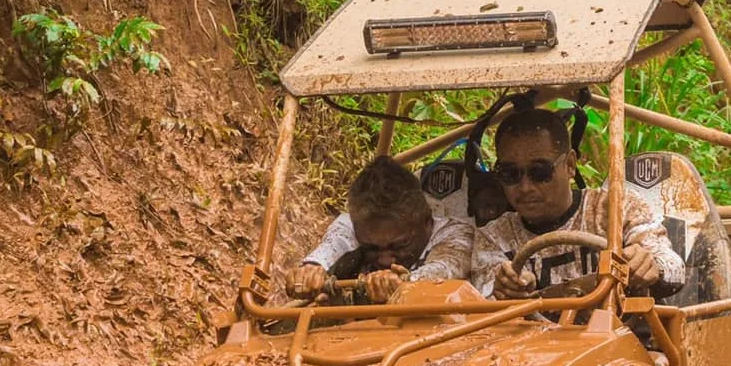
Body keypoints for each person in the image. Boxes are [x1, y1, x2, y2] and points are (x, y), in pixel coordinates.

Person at [471, 108, 684, 299]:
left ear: (570, 165)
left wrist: (651, 265)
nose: (525, 187)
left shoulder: (616, 208)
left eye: (540, 172)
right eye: (510, 173)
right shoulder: (494, 237)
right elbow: (485, 290)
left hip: (626, 335)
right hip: (537, 341)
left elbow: (673, 265)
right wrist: (506, 287)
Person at [288, 156, 473, 303]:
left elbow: (446, 268)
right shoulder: (348, 225)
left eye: (400, 245)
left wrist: (403, 282)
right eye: (371, 248)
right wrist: (309, 271)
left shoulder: (455, 232)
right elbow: (328, 251)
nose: (385, 260)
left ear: (426, 220)